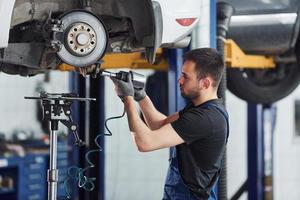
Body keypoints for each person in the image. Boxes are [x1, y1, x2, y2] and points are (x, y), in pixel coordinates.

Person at [111, 48, 229, 200]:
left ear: (205, 83)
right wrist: (140, 95)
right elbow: (159, 124)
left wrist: (127, 99)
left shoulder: (204, 119)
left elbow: (144, 143)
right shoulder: (204, 109)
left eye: (186, 77)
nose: (179, 80)